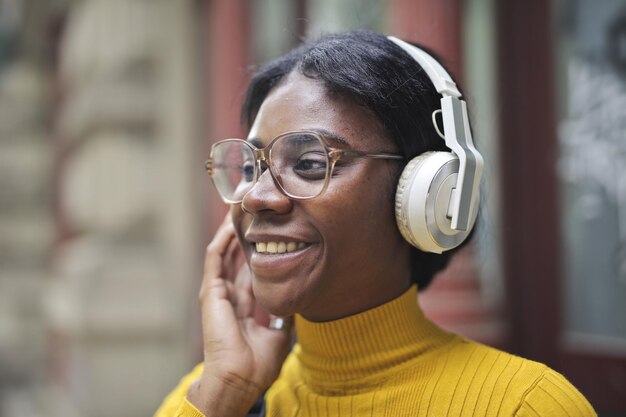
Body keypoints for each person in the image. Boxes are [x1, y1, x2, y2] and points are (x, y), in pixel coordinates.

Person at [154, 31, 595, 417]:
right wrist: (223, 395)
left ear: (429, 193)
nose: (257, 196)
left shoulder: (525, 405)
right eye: (252, 168)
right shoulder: (210, 393)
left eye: (309, 163)